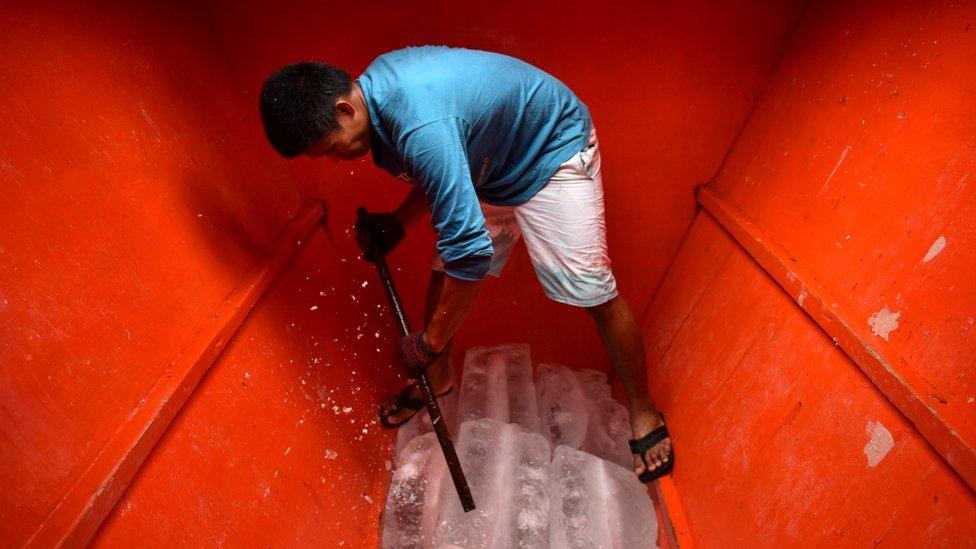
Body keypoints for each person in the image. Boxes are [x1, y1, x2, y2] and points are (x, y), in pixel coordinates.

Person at [259, 46, 673, 482]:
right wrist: (398, 224)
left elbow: (470, 252)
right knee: (446, 270)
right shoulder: (375, 94)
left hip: (552, 153)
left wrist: (429, 341)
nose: (334, 159)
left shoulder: (419, 121)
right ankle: (435, 381)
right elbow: (442, 164)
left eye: (329, 148)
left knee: (593, 291)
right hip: (491, 162)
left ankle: (643, 410)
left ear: (345, 108)